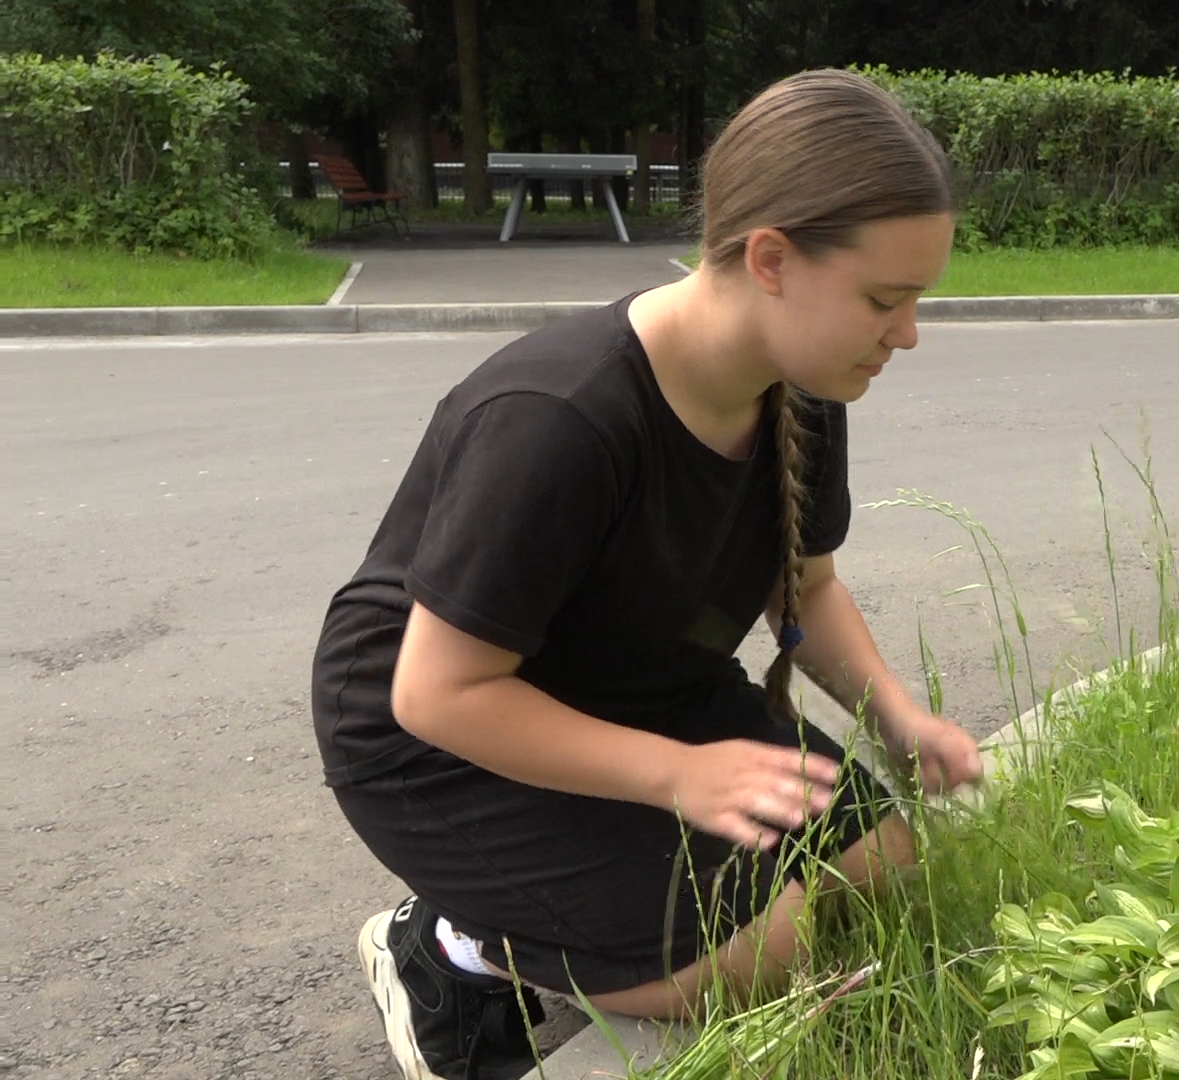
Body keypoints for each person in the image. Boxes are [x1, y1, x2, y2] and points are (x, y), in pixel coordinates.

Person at [310, 69, 984, 1080]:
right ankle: (451, 951)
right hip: (441, 741)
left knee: (882, 869)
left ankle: (559, 901)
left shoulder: (800, 386)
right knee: (772, 942)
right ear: (770, 258)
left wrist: (898, 715)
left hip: (637, 684)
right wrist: (676, 775)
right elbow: (436, 692)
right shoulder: (559, 417)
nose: (909, 334)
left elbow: (805, 588)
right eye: (886, 299)